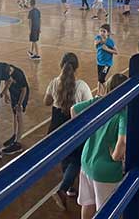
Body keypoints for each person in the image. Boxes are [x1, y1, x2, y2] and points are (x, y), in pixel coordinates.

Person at [72, 73, 128, 218]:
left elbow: (74, 110)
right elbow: (123, 141)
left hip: (86, 160)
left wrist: (84, 133)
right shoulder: (123, 113)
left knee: (87, 204)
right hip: (105, 170)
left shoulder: (98, 101)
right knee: (107, 211)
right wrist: (116, 156)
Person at [46, 53, 93, 210]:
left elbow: (47, 101)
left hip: (56, 127)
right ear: (77, 67)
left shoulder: (54, 82)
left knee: (65, 156)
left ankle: (70, 187)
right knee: (77, 159)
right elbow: (90, 106)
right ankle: (63, 189)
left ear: (61, 65)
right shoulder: (82, 86)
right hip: (73, 127)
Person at [0, 64, 30, 155]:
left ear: (10, 71)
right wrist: (5, 93)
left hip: (21, 95)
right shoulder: (4, 69)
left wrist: (20, 104)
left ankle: (18, 143)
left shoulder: (18, 74)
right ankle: (15, 135)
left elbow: (24, 90)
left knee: (19, 116)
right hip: (14, 92)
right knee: (14, 114)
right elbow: (7, 82)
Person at [94, 23, 118, 93]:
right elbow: (95, 46)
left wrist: (107, 49)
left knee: (101, 78)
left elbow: (116, 52)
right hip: (99, 61)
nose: (102, 33)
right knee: (99, 78)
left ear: (108, 33)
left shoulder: (110, 42)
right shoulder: (97, 38)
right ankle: (98, 93)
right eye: (100, 31)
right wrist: (96, 43)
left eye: (104, 31)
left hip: (107, 63)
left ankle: (107, 91)